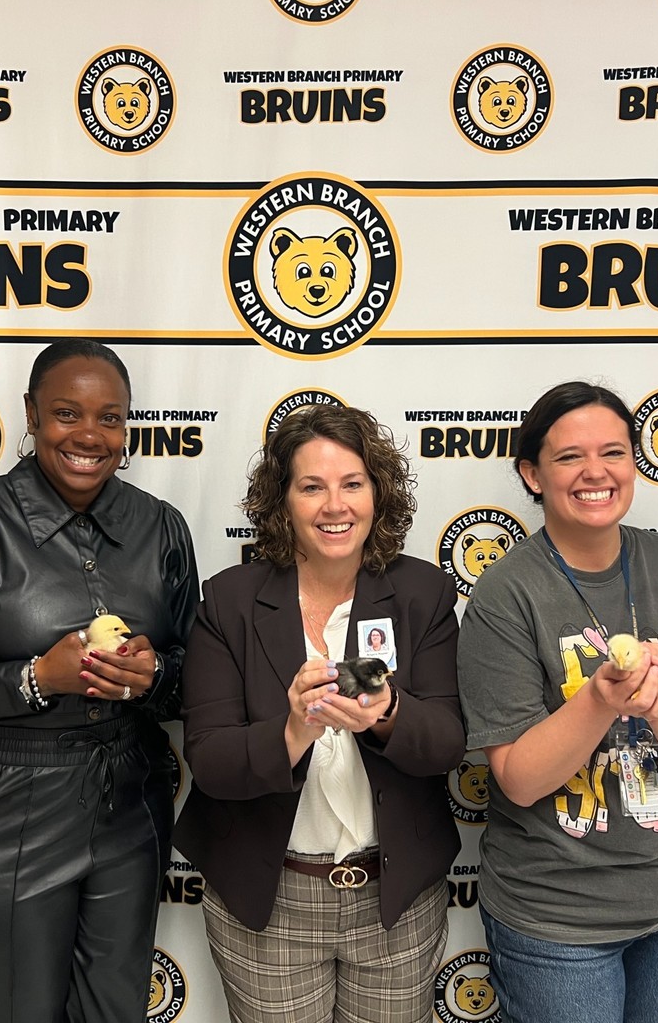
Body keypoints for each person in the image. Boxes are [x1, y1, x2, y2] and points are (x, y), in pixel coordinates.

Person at [457, 381, 658, 1023]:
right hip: (557, 916)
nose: (596, 472)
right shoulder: (505, 597)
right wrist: (599, 699)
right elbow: (520, 780)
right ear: (532, 474)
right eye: (568, 458)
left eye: (614, 452)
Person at [0, 339, 199, 1023]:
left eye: (110, 418)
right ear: (29, 414)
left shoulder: (160, 527)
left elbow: (196, 675)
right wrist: (33, 678)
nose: (89, 435)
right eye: (66, 413)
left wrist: (151, 678)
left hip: (127, 806)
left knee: (113, 1010)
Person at [173, 404, 465, 1023]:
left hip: (395, 902)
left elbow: (447, 745)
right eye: (312, 487)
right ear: (282, 503)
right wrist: (292, 731)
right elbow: (212, 761)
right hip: (267, 899)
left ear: (377, 494)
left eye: (352, 484)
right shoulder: (230, 600)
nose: (336, 506)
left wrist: (387, 714)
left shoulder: (424, 593)